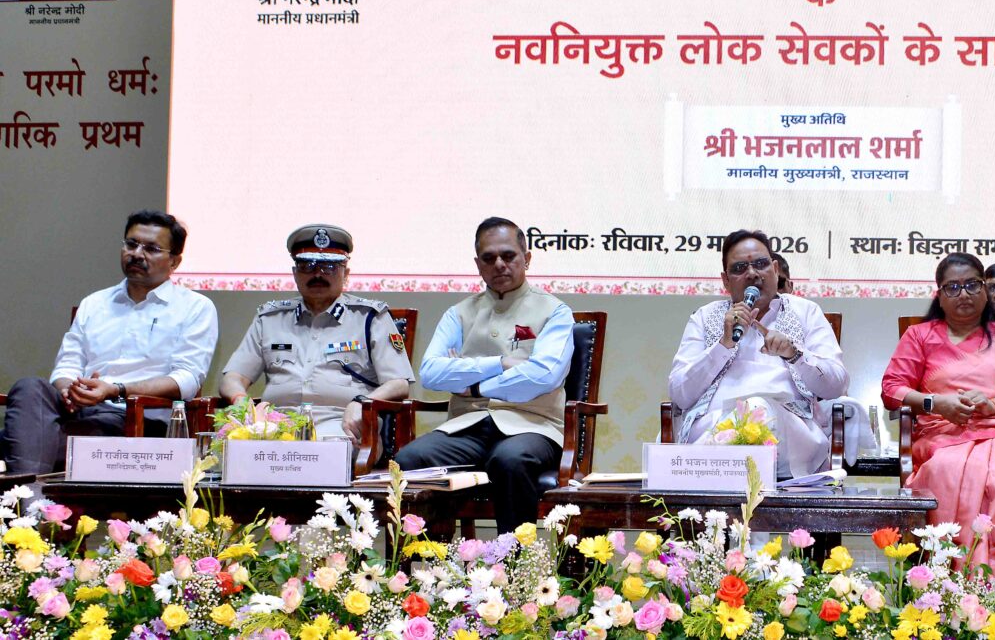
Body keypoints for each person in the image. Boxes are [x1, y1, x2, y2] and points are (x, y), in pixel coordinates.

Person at [880, 252, 995, 571]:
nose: (963, 293)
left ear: (984, 289)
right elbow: (891, 390)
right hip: (945, 439)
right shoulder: (920, 336)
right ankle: (955, 576)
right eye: (952, 287)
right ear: (939, 295)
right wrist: (937, 403)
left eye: (972, 285)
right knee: (948, 468)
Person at [393, 218, 574, 532]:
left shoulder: (554, 311)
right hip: (468, 426)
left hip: (533, 425)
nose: (499, 264)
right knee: (409, 460)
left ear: (527, 258)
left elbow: (541, 377)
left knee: (509, 460)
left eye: (508, 255)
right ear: (478, 264)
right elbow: (431, 374)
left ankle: (514, 558)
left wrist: (473, 385)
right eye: (489, 258)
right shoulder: (459, 313)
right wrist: (501, 364)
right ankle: (430, 557)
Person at [0, 211, 214, 474]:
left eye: (151, 249)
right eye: (131, 244)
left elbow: (186, 380)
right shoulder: (95, 303)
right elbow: (67, 365)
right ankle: (28, 487)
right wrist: (70, 390)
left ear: (175, 261)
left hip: (136, 417)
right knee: (29, 387)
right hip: (79, 411)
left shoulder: (195, 307)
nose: (137, 254)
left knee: (23, 441)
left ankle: (24, 489)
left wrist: (115, 390)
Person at [669, 229, 865, 477]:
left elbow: (836, 385)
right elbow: (679, 394)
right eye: (740, 268)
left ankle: (698, 474)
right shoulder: (704, 317)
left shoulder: (806, 312)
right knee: (746, 414)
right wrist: (722, 345)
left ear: (774, 268)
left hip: (788, 433)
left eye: (760, 264)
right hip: (715, 427)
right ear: (726, 280)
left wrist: (795, 355)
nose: (752, 274)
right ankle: (714, 474)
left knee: (756, 407)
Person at [220, 224, 413, 442]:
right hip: (275, 424)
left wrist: (361, 402)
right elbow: (232, 378)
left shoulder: (369, 318)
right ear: (295, 274)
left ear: (346, 273)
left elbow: (398, 383)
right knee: (230, 447)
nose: (318, 274)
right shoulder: (270, 319)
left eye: (329, 267)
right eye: (307, 266)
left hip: (341, 423)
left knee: (315, 450)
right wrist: (242, 402)